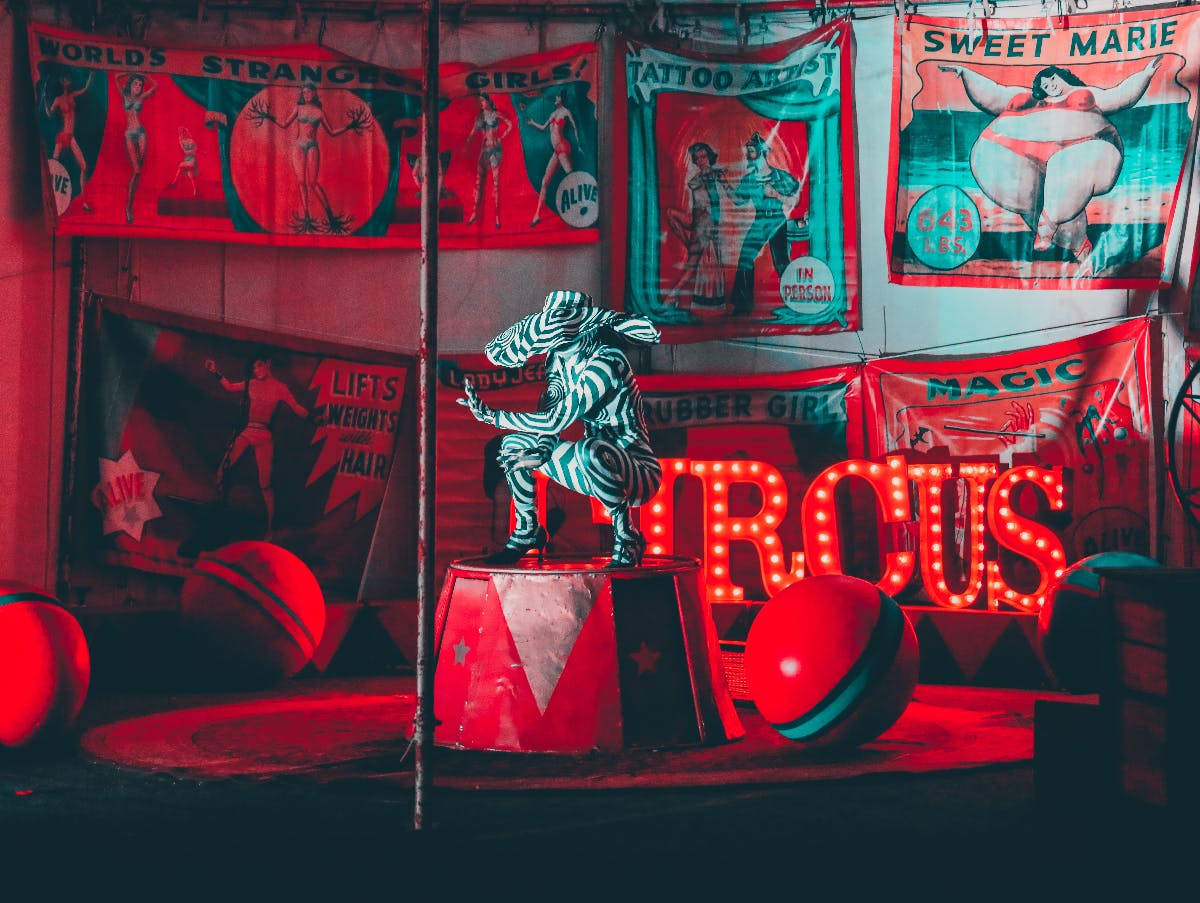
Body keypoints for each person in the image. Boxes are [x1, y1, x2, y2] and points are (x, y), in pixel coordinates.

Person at [458, 289, 662, 567]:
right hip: (593, 469)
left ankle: (627, 537)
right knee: (514, 445)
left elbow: (557, 420)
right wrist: (540, 450)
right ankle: (527, 530)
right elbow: (548, 417)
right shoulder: (557, 361)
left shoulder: (607, 362)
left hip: (637, 472)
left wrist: (493, 416)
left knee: (591, 450)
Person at [940, 57, 1162, 268]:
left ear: (1063, 76)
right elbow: (993, 94)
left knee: (1067, 175)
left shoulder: (1085, 95)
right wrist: (965, 73)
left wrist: (1145, 74)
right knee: (1035, 199)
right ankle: (1079, 247)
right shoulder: (1026, 98)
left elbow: (1119, 95)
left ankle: (1049, 226)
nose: (1050, 85)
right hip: (1016, 153)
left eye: (1052, 79)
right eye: (1044, 83)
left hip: (1083, 146)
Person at [204, 354, 313, 539]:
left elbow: (296, 407)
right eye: (254, 368)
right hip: (249, 431)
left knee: (265, 484)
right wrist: (215, 372)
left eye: (260, 366)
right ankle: (217, 511)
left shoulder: (280, 388)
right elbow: (230, 386)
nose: (257, 371)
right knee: (223, 469)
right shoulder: (251, 384)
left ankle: (270, 529)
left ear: (268, 364)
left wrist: (313, 418)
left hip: (264, 435)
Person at [248, 80, 372, 234]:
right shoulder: (298, 108)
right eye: (304, 92)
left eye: (309, 92)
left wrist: (349, 126)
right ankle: (306, 218)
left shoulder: (319, 112)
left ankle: (331, 217)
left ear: (314, 93)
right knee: (301, 182)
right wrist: (268, 116)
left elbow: (332, 132)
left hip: (313, 146)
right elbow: (285, 123)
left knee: (312, 182)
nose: (306, 94)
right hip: (299, 146)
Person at [729, 132, 802, 316]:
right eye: (747, 152)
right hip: (760, 220)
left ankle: (796, 304)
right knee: (745, 257)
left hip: (777, 220)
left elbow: (795, 200)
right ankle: (743, 306)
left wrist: (776, 194)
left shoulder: (780, 176)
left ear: (761, 152)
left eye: (751, 152)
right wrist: (723, 184)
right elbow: (738, 201)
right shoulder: (749, 179)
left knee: (781, 263)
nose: (747, 156)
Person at [664, 141, 731, 309]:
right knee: (670, 214)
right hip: (696, 221)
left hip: (706, 225)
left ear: (709, 157)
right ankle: (672, 296)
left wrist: (724, 180)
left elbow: (725, 195)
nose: (701, 160)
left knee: (692, 263)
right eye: (697, 158)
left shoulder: (714, 176)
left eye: (704, 156)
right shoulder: (696, 180)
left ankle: (672, 297)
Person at [44, 70, 94, 212]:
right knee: (53, 168)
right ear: (62, 81)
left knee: (83, 166)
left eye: (69, 79)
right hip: (62, 136)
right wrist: (47, 107)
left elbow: (85, 89)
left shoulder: (72, 95)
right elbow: (50, 113)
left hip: (71, 137)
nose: (68, 81)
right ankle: (50, 202)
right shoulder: (58, 100)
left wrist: (90, 75)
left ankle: (85, 203)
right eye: (66, 79)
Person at [527, 92, 578, 226]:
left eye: (557, 97)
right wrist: (532, 123)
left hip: (563, 148)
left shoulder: (566, 112)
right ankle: (537, 215)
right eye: (555, 98)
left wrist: (579, 144)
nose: (555, 99)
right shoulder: (553, 114)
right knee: (545, 181)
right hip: (556, 151)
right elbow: (543, 127)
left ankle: (577, 211)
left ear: (561, 99)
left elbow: (574, 127)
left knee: (571, 178)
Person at [463, 93, 513, 229]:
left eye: (482, 100)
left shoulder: (495, 114)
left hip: (495, 150)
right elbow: (473, 133)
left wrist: (502, 136)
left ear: (488, 101)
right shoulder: (480, 117)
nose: (481, 103)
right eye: (479, 101)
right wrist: (467, 145)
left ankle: (497, 217)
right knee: (479, 183)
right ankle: (474, 213)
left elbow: (510, 124)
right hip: (484, 151)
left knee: (496, 184)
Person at [116, 72, 159, 224]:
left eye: (140, 85)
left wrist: (143, 75)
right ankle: (128, 208)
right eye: (135, 84)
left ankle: (130, 206)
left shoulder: (141, 97)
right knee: (136, 170)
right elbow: (116, 78)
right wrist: (131, 73)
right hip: (129, 134)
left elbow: (155, 86)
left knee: (138, 172)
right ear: (130, 84)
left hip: (141, 133)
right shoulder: (124, 95)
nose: (138, 87)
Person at [167, 125, 198, 196]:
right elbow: (185, 150)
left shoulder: (191, 140)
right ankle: (195, 190)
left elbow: (195, 149)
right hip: (187, 159)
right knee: (191, 176)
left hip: (192, 160)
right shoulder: (182, 141)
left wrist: (190, 151)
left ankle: (174, 183)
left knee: (181, 167)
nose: (181, 134)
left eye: (182, 133)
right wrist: (180, 140)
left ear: (185, 133)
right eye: (180, 133)